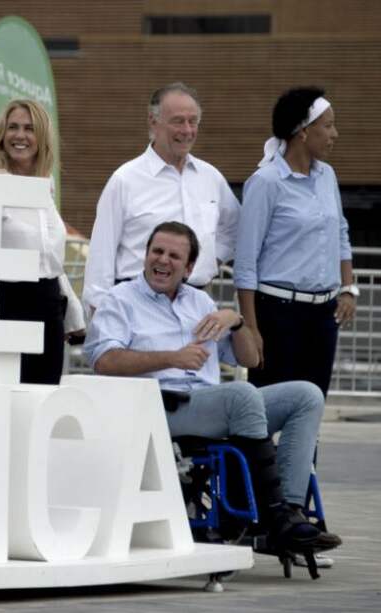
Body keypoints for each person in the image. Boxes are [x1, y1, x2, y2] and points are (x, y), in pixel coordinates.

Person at [84, 221, 341, 557]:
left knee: (306, 395)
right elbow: (105, 361)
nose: (163, 260)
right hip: (161, 407)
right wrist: (172, 358)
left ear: (189, 268)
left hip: (215, 406)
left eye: (174, 256)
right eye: (157, 251)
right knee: (241, 394)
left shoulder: (201, 303)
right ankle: (274, 515)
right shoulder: (121, 299)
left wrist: (235, 322)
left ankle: (290, 510)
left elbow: (251, 357)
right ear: (145, 255)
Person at [234, 87, 356, 397]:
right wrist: (251, 326)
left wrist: (347, 287)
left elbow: (340, 232)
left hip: (323, 316)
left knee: (311, 409)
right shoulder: (265, 182)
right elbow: (246, 261)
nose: (335, 134)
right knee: (266, 410)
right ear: (303, 132)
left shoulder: (327, 175)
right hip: (277, 314)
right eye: (327, 125)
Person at [82, 83, 239, 311]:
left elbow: (234, 229)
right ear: (153, 121)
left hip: (196, 302)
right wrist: (100, 312)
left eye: (193, 121)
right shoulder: (125, 180)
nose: (187, 130)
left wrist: (208, 261)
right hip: (136, 304)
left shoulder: (211, 178)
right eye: (178, 121)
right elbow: (101, 254)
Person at [0, 99, 86, 384]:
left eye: (29, 129)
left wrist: (72, 312)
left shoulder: (46, 186)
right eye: (13, 127)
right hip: (9, 304)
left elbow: (50, 259)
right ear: (2, 135)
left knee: (44, 394)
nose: (20, 135)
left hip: (49, 306)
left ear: (41, 137)